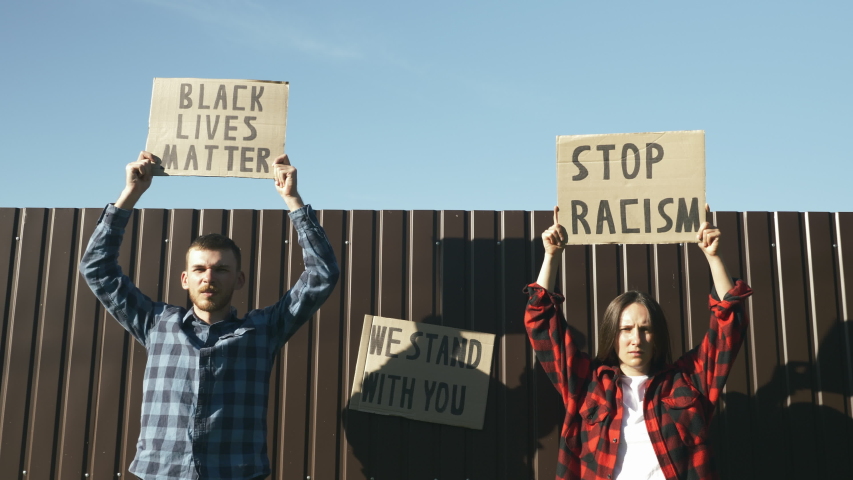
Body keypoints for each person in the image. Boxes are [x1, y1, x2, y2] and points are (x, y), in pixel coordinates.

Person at [80, 151, 340, 480]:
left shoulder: (263, 331)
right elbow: (97, 269)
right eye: (200, 269)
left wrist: (292, 200)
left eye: (221, 269)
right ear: (185, 279)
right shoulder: (157, 324)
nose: (209, 278)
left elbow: (323, 275)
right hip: (161, 474)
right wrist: (130, 194)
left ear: (239, 279)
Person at [525, 206, 752, 480]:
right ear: (612, 334)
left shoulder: (688, 382)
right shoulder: (586, 384)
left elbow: (729, 327)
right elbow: (541, 323)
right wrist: (552, 255)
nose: (636, 339)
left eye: (646, 329)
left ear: (657, 336)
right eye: (626, 329)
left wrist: (714, 257)